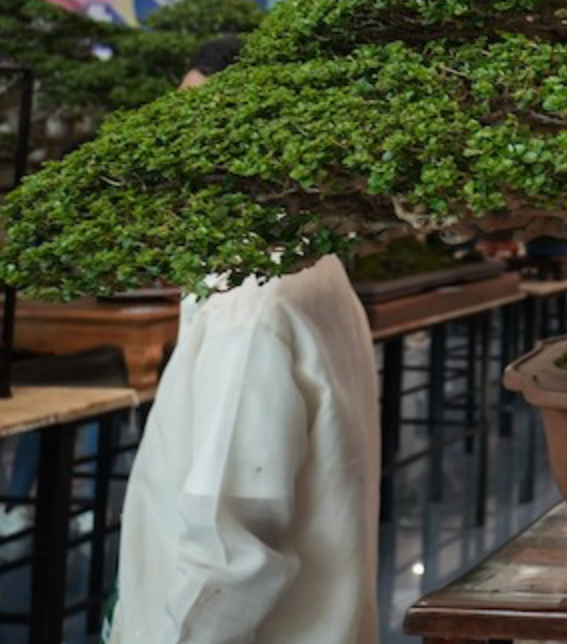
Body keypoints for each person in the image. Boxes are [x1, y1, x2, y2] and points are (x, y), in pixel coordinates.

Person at [110, 35, 381, 643]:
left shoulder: (252, 302)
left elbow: (232, 555)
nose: (175, 141)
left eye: (203, 120)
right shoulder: (311, 263)